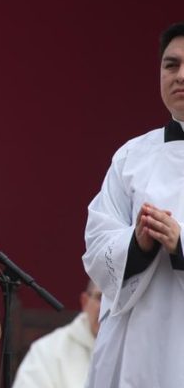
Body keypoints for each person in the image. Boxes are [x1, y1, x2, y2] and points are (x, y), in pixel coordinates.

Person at [83, 21, 184, 388]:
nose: (180, 76)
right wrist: (136, 244)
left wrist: (180, 242)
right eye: (170, 65)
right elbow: (96, 245)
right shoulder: (131, 156)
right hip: (134, 343)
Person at [12, 281, 101, 388]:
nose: (107, 308)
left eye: (115, 300)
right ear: (85, 301)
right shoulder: (46, 351)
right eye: (100, 298)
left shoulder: (126, 350)